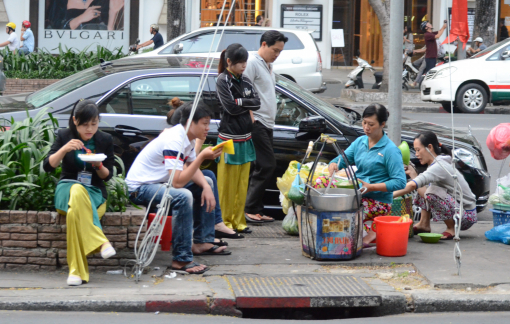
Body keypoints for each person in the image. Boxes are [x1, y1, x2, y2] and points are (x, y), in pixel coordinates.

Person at [126, 102, 231, 275]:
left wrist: (205, 186)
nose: (208, 128)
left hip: (160, 183)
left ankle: (201, 241)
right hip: (140, 188)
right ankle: (181, 259)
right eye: (204, 123)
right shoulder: (175, 140)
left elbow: (190, 166)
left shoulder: (186, 138)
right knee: (183, 196)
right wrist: (203, 156)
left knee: (208, 180)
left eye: (208, 123)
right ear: (191, 122)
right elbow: (178, 183)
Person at [43, 100, 116, 286]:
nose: (89, 129)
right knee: (76, 188)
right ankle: (101, 243)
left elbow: (107, 176)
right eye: (85, 124)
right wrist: (64, 148)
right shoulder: (64, 135)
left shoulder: (105, 140)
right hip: (66, 188)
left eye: (94, 123)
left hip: (94, 193)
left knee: (74, 214)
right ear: (75, 121)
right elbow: (48, 166)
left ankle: (76, 272)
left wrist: (98, 165)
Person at [327, 104, 407, 246]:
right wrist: (334, 165)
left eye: (371, 124)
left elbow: (400, 182)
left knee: (343, 212)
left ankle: (367, 234)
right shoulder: (360, 142)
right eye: (364, 123)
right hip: (358, 194)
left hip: (378, 201)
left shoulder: (390, 150)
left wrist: (372, 187)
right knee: (322, 184)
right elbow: (341, 160)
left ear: (382, 124)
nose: (366, 127)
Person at [394, 131, 477, 240]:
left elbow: (413, 186)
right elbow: (422, 191)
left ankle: (451, 229)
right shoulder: (436, 163)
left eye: (418, 150)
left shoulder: (439, 166)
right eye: (415, 151)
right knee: (426, 188)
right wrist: (413, 174)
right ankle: (424, 224)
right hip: (461, 211)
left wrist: (389, 195)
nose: (417, 154)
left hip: (466, 216)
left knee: (431, 191)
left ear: (429, 147)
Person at [243, 30, 288, 224]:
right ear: (263, 44)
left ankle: (256, 209)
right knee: (266, 165)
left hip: (267, 123)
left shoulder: (267, 65)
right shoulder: (252, 62)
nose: (277, 54)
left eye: (280, 51)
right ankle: (250, 209)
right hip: (258, 122)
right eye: (274, 50)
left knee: (263, 166)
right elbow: (243, 90)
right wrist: (251, 117)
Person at [216, 43, 261, 234]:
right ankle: (225, 223)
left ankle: (239, 221)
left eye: (245, 62)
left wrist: (239, 101)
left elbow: (257, 103)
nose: (244, 66)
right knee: (226, 185)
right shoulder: (222, 80)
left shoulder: (246, 80)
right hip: (228, 139)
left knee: (242, 183)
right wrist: (245, 102)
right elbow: (230, 108)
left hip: (246, 138)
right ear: (229, 62)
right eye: (240, 63)